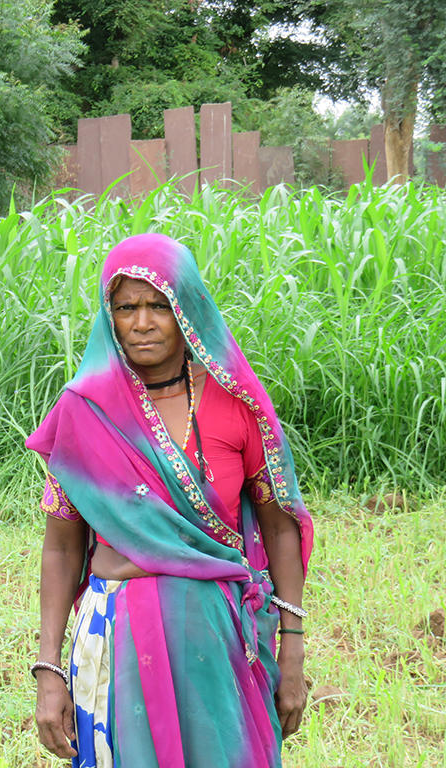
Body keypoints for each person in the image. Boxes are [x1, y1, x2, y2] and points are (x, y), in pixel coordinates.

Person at [26, 233, 314, 768]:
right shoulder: (84, 413)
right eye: (126, 307)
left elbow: (279, 526)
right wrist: (48, 670)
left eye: (159, 304)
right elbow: (62, 547)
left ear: (188, 307)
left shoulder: (237, 406)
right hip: (116, 643)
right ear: (107, 315)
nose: (142, 322)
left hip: (217, 638)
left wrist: (292, 645)